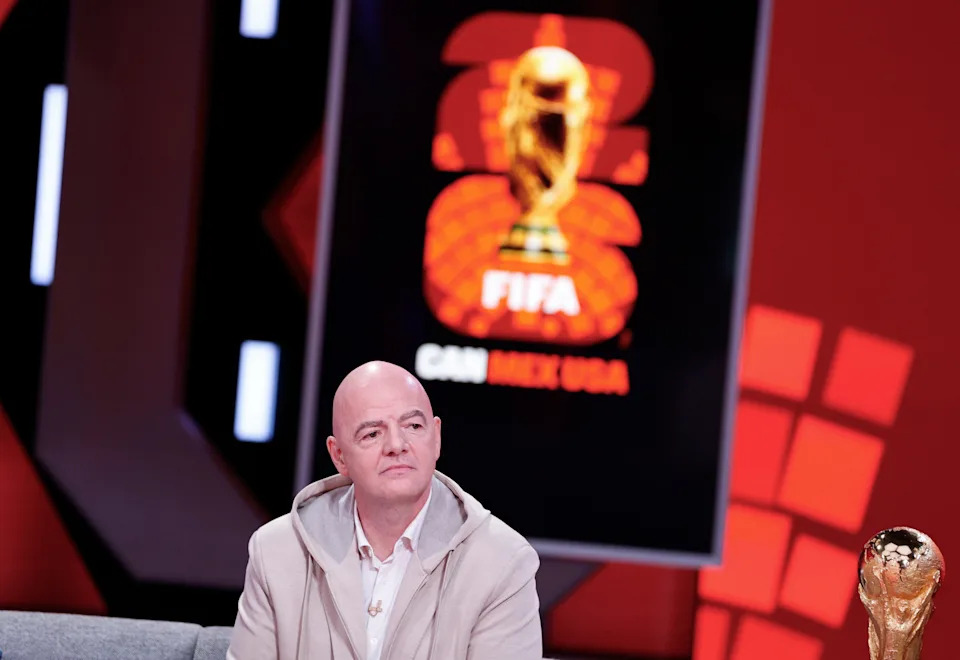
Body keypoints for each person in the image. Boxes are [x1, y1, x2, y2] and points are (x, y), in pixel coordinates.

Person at [227, 361, 542, 660]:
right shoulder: (276, 552)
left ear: (436, 438)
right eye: (372, 433)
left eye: (413, 426)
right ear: (339, 456)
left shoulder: (502, 562)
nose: (396, 444)